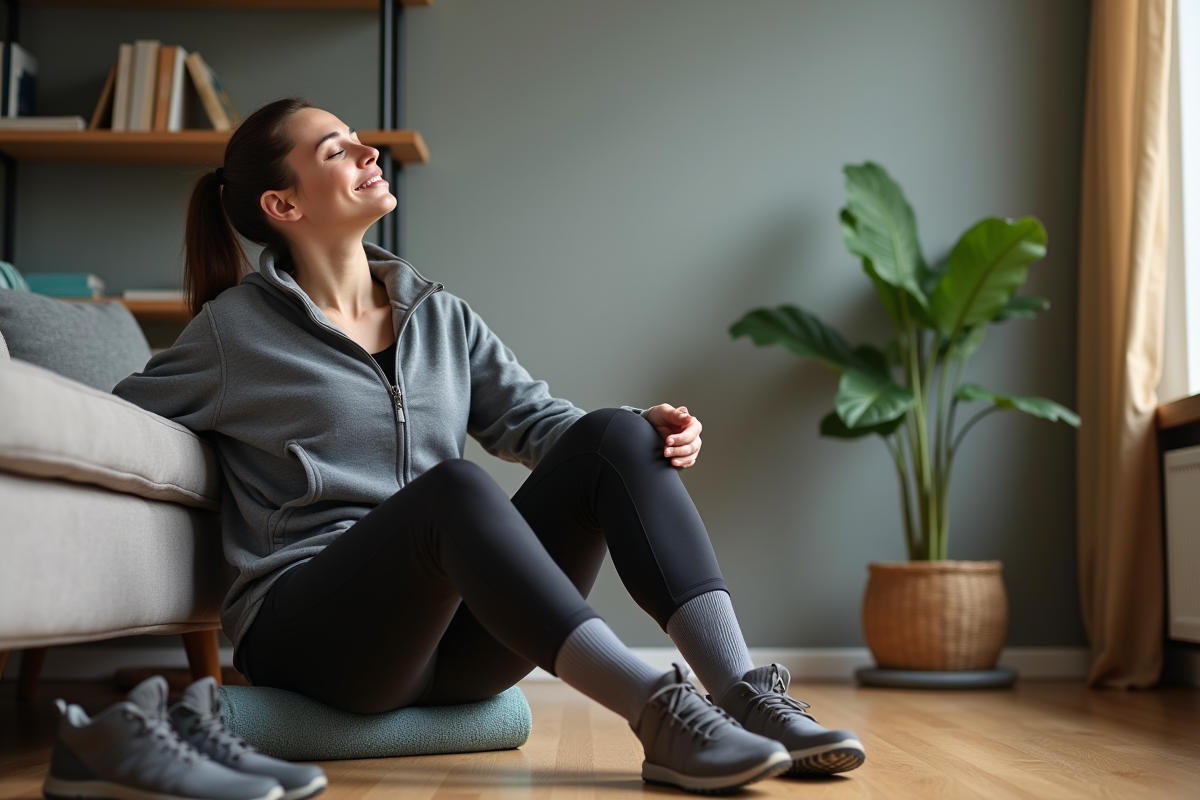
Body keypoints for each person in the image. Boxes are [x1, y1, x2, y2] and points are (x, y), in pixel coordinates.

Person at [112, 97, 865, 793]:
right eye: (338, 150)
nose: (369, 152)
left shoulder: (439, 316)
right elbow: (120, 426)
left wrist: (646, 432)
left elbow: (539, 423)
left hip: (455, 641)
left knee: (612, 432)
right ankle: (660, 715)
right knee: (456, 489)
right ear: (285, 204)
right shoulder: (232, 333)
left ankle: (744, 695)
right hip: (316, 636)